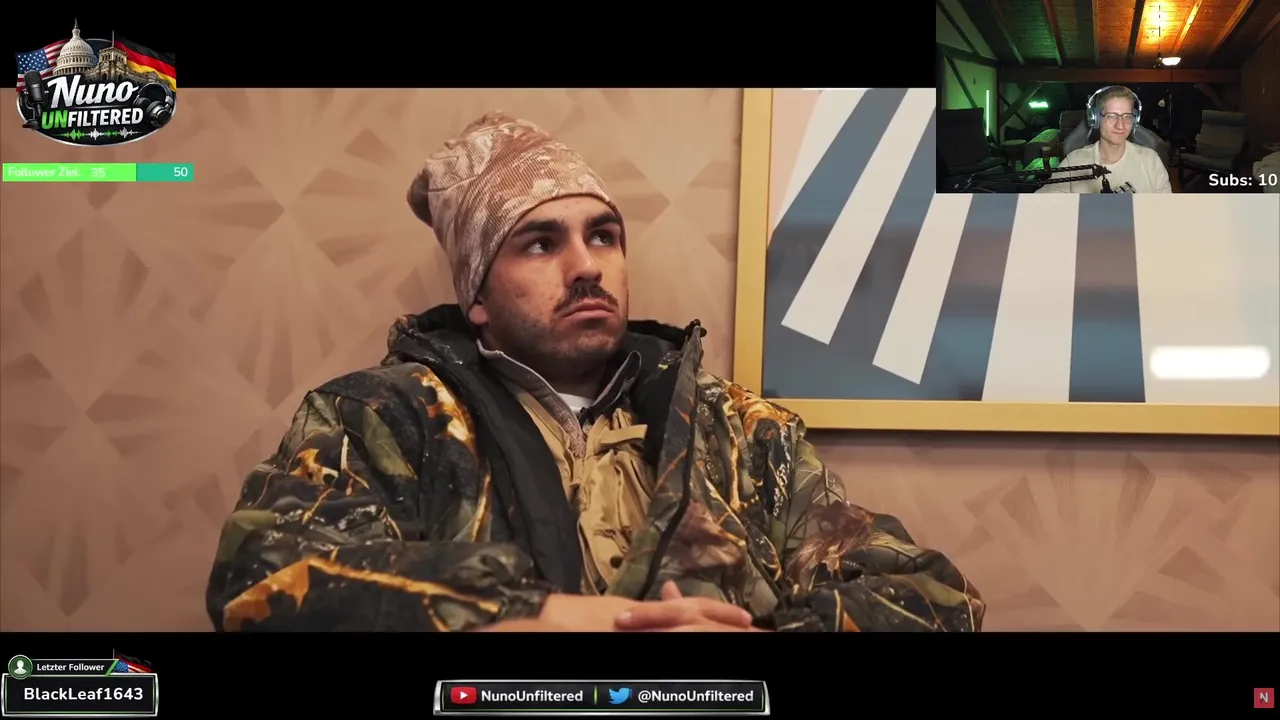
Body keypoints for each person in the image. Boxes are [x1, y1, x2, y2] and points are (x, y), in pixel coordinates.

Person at [204, 112, 986, 633]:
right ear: (477, 295)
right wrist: (529, 617)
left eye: (603, 235)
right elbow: (263, 575)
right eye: (540, 243)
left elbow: (934, 596)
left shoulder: (744, 435)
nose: (587, 267)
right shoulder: (384, 420)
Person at [1037, 86, 1172, 194]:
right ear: (1094, 119)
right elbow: (1044, 204)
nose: (1120, 125)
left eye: (1127, 116)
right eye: (1111, 116)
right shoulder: (1073, 161)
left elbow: (1166, 209)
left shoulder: (1151, 160)